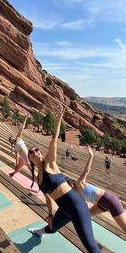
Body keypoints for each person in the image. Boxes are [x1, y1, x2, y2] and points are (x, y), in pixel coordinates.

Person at [28, 107, 101, 253]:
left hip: (77, 207)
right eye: (31, 152)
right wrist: (49, 215)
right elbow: (48, 199)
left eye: (37, 150)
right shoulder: (38, 178)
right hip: (64, 209)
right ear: (29, 158)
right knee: (52, 227)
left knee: (91, 246)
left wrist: (59, 119)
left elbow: (54, 140)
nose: (35, 152)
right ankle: (40, 232)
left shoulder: (50, 163)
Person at [67, 146, 126, 233]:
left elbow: (86, 170)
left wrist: (91, 156)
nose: (70, 192)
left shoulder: (80, 183)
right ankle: (83, 233)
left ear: (72, 185)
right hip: (101, 204)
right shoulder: (76, 192)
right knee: (86, 215)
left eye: (69, 189)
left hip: (111, 202)